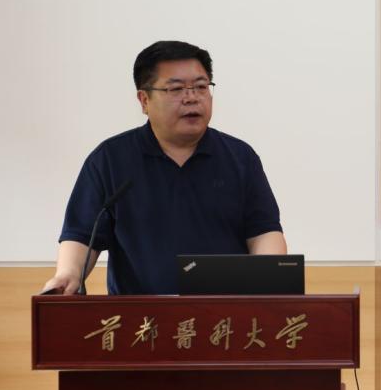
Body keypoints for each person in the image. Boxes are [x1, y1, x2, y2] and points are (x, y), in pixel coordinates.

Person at [41, 40, 286, 295]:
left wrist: (272, 280)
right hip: (140, 315)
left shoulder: (240, 157)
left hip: (224, 311)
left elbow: (264, 232)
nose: (192, 98)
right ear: (144, 100)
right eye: (176, 89)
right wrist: (68, 274)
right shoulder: (110, 160)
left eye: (201, 87)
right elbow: (82, 235)